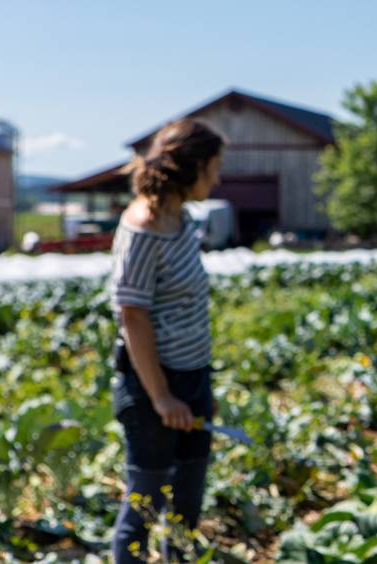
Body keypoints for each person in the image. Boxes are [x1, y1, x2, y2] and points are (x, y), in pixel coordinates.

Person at [109, 118, 225, 563]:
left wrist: (199, 391)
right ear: (192, 165)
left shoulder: (181, 217)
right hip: (153, 387)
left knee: (187, 503)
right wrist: (161, 398)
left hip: (193, 379)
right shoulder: (143, 226)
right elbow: (133, 315)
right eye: (213, 166)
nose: (217, 177)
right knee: (145, 503)